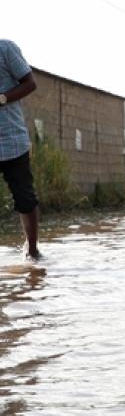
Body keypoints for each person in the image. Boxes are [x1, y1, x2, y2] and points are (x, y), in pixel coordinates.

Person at [0, 39, 41, 261]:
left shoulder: (5, 49)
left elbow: (30, 83)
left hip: (12, 141)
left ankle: (32, 251)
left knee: (24, 198)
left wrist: (2, 98)